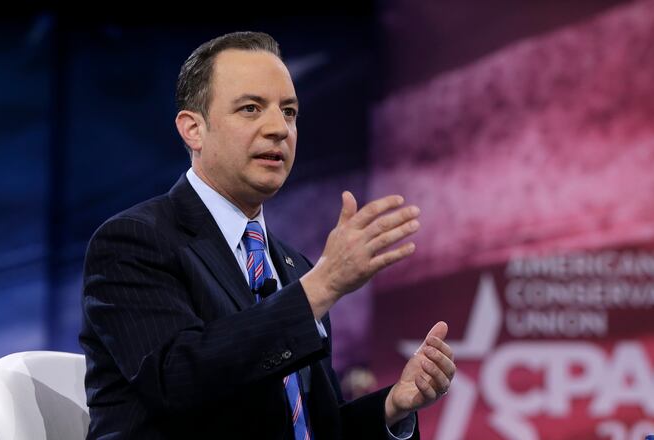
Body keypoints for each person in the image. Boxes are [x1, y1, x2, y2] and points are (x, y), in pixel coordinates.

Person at [79, 31, 455, 439]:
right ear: (193, 129)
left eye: (289, 112)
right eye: (251, 108)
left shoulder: (294, 267)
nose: (279, 128)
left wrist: (393, 406)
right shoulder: (133, 242)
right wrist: (321, 287)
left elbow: (312, 427)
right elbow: (178, 380)